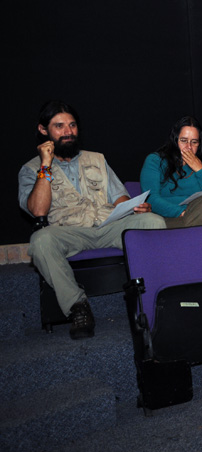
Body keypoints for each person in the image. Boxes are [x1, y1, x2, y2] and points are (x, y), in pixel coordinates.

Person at [18, 100, 165, 340]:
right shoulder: (31, 169)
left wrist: (134, 208)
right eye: (59, 126)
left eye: (72, 125)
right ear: (43, 131)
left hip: (108, 226)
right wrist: (46, 165)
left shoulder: (96, 159)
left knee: (153, 222)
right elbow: (38, 210)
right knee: (41, 241)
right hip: (69, 232)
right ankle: (78, 307)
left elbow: (119, 197)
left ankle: (155, 295)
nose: (68, 131)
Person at [139, 116, 202, 231]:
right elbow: (151, 199)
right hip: (165, 219)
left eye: (194, 142)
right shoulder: (155, 161)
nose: (189, 147)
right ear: (175, 140)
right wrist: (181, 212)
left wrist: (200, 170)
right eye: (184, 140)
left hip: (200, 217)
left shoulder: (200, 167)